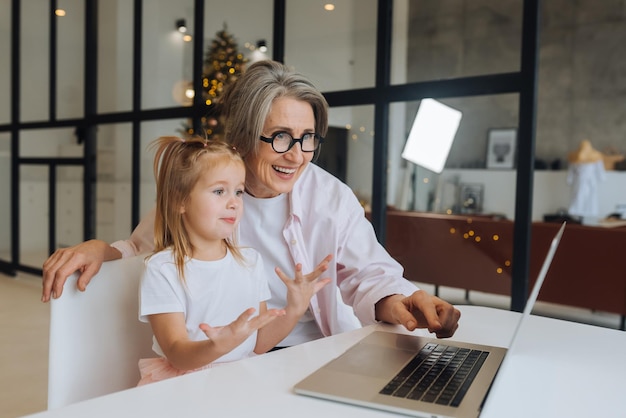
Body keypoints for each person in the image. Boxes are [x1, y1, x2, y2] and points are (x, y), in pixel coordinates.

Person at [42, 59, 460, 344]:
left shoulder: (330, 197)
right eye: (280, 137)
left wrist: (403, 303)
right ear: (243, 136)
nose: (296, 155)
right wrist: (100, 249)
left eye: (307, 139)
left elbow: (369, 275)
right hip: (232, 354)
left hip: (314, 350)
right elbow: (143, 249)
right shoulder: (209, 185)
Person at [137, 136, 331, 385]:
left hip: (239, 378)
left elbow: (259, 344)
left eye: (238, 191)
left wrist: (295, 308)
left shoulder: (250, 261)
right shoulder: (162, 269)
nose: (233, 202)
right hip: (184, 386)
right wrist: (217, 346)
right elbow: (177, 354)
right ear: (180, 200)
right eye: (219, 191)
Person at [566, 139, 606, 218]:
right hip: (579, 181)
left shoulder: (595, 158)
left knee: (590, 197)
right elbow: (571, 171)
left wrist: (602, 178)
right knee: (578, 196)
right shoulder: (574, 158)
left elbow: (599, 170)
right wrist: (569, 179)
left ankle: (589, 213)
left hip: (590, 181)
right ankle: (576, 213)